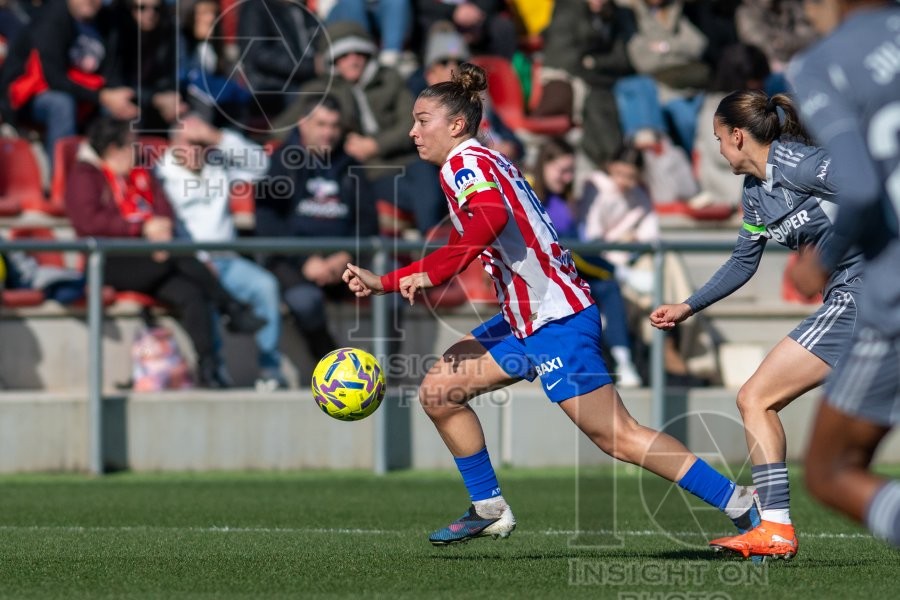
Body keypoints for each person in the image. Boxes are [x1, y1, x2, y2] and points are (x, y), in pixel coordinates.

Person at [342, 62, 761, 546]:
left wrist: (424, 273)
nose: (413, 132)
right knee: (439, 391)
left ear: (456, 125)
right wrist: (399, 278)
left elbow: (492, 216)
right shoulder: (481, 159)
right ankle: (488, 506)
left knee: (618, 437)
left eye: (421, 120)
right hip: (525, 321)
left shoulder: (464, 163)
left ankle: (739, 502)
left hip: (555, 320)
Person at [650, 90, 864, 559]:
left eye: (719, 139)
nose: (718, 149)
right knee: (757, 399)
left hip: (865, 295)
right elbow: (743, 262)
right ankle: (775, 528)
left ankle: (776, 528)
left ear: (738, 136)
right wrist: (688, 305)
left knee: (755, 397)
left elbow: (871, 191)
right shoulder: (755, 193)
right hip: (852, 296)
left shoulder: (803, 165)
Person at [788, 0, 900, 549]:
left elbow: (857, 187)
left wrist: (822, 260)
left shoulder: (826, 62)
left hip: (892, 292)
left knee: (829, 471)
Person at [65, 117, 266, 388]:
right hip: (109, 260)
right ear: (114, 149)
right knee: (181, 254)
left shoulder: (141, 172)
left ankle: (208, 369)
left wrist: (161, 231)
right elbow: (88, 223)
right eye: (131, 145)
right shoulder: (86, 174)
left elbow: (163, 207)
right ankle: (231, 306)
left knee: (191, 293)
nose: (137, 150)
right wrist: (141, 229)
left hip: (153, 257)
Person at [156, 114, 288, 391]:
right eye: (189, 143)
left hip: (229, 260)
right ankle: (217, 370)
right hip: (192, 265)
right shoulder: (160, 174)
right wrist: (200, 263)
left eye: (200, 143)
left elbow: (262, 166)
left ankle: (270, 368)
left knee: (266, 286)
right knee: (207, 301)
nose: (196, 150)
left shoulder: (217, 164)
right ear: (173, 143)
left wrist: (218, 138)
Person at [256, 95, 378, 364]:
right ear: (303, 124)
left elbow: (368, 221)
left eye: (334, 126)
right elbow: (267, 222)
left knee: (390, 298)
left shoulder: (351, 165)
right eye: (321, 124)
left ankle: (389, 376)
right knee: (305, 301)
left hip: (343, 262)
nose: (328, 133)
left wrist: (344, 255)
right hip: (294, 261)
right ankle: (337, 371)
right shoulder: (281, 162)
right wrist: (304, 259)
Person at [531, 137, 642, 387]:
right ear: (545, 165)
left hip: (569, 275)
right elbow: (557, 247)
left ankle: (623, 359)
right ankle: (619, 272)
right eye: (562, 170)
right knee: (587, 262)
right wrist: (612, 268)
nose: (568, 177)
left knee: (609, 289)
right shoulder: (529, 194)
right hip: (545, 280)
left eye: (571, 170)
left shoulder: (566, 201)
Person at [0, 0, 138, 167]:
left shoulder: (108, 23)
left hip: (86, 95)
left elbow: (112, 73)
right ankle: (63, 179)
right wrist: (101, 96)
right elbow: (53, 77)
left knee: (124, 109)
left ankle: (114, 177)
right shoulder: (52, 17)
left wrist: (118, 98)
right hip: (31, 96)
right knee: (61, 104)